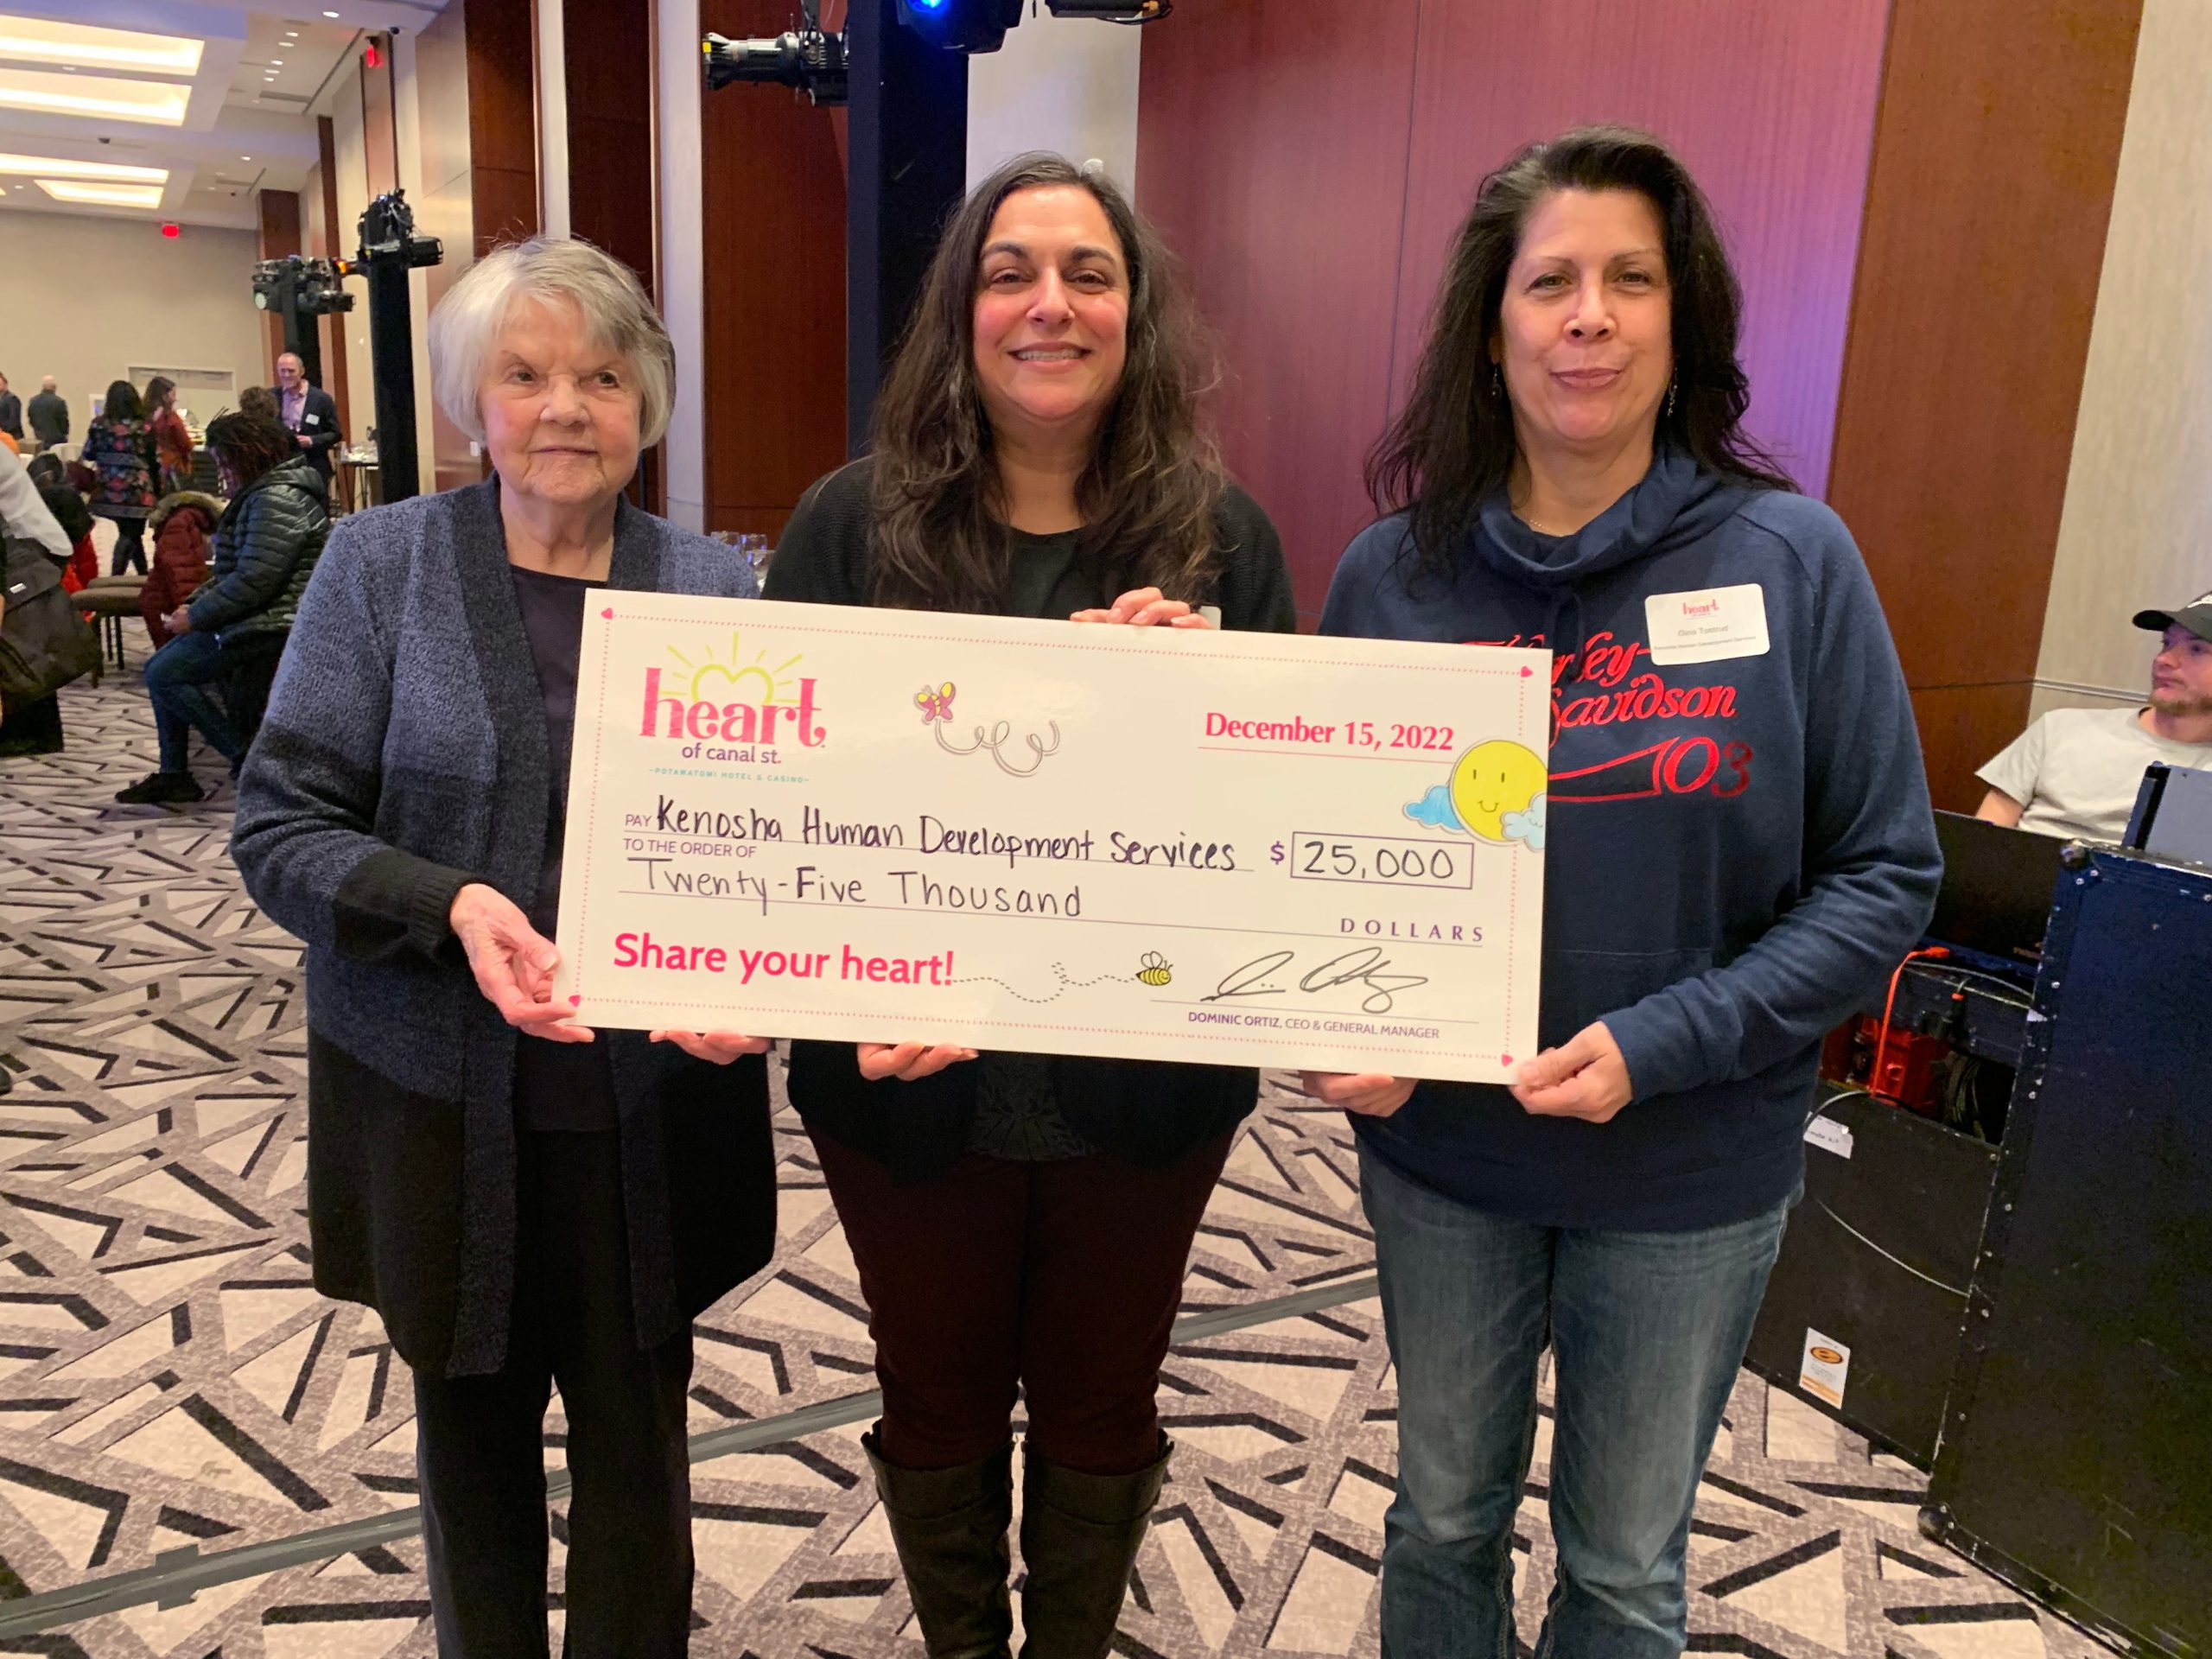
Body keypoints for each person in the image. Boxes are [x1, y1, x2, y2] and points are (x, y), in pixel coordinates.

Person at [1311, 126, 1942, 1659]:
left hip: (1688, 1166)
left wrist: (1667, 1040)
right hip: (1445, 1156)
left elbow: (1886, 874)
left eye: (1630, 279)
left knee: (1621, 1569)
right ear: (1493, 325)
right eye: (1551, 283)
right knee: (1440, 1521)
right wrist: (1319, 1013)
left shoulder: (1792, 558)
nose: (1589, 315)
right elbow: (1315, 871)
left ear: (1683, 320)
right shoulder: (1389, 578)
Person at [764, 152, 1296, 1659]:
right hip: (902, 1089)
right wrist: (844, 990)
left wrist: (1204, 712)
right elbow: (772, 818)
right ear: (962, 309)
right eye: (1010, 272)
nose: (1048, 305)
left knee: (1103, 1396)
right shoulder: (845, 529)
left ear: (1136, 314)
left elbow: (1277, 841)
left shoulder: (1223, 541)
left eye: (1088, 273)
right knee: (930, 1391)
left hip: (1146, 1091)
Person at [231, 236, 773, 1659]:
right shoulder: (378, 568)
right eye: (525, 375)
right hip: (435, 1103)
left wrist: (763, 977)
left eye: (603, 374)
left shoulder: (718, 592)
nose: (565, 408)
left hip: (648, 1106)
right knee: (470, 1449)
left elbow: (787, 855)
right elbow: (281, 829)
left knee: (640, 1455)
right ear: (476, 399)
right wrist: (449, 905)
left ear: (647, 400)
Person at [113, 413, 328, 805]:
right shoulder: (268, 492)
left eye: (226, 462)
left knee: (163, 672)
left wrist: (196, 616)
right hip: (263, 614)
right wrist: (194, 605)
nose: (223, 473)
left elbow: (255, 581)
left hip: (276, 623)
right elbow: (239, 573)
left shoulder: (278, 497)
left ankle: (244, 757)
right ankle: (175, 772)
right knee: (165, 665)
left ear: (249, 456)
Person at [1976, 594, 2212, 839]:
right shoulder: (2060, 728)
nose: (2164, 660)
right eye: (2167, 643)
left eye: (2196, 649)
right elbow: (1985, 839)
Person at [0, 451, 78, 756]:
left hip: (31, 546)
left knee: (24, 638)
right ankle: (34, 731)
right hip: (24, 543)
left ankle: (33, 733)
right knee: (23, 638)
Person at [79, 381, 159, 575]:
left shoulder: (99, 425)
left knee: (132, 533)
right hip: (136, 489)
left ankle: (142, 575)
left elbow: (88, 454)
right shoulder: (144, 427)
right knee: (131, 533)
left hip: (107, 488)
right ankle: (116, 576)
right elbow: (153, 459)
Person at [139, 489, 223, 649]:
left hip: (162, 598)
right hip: (165, 603)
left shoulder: (187, 519)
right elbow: (181, 573)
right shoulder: (181, 523)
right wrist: (189, 610)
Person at [270, 352, 342, 486]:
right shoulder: (271, 397)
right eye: (282, 371)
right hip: (281, 466)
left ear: (302, 371)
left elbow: (335, 434)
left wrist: (311, 440)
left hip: (313, 465)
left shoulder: (321, 399)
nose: (286, 375)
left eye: (291, 371)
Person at [145, 376, 195, 496]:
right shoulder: (171, 417)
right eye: (173, 394)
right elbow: (185, 444)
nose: (175, 399)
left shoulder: (144, 415)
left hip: (148, 467)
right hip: (172, 466)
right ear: (164, 396)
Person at [26, 377, 67, 452]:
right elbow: (64, 423)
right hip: (56, 441)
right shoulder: (59, 402)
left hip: (39, 439)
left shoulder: (33, 401)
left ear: (43, 387)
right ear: (54, 387)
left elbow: (31, 419)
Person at [0, 372, 20, 444]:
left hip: (11, 435)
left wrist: (4, 431)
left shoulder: (12, 399)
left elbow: (14, 419)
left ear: (6, 384)